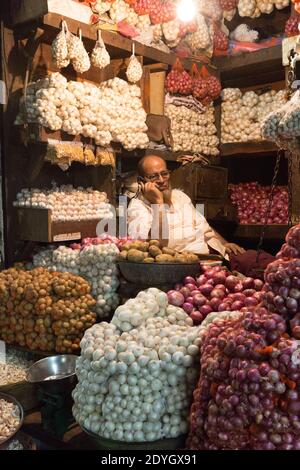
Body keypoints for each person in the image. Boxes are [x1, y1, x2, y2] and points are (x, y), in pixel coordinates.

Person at [127, 155, 274, 276]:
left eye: (164, 174)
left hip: (214, 254)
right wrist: (157, 203)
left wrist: (223, 243)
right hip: (187, 266)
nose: (161, 180)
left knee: (265, 262)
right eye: (153, 176)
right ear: (142, 181)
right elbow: (155, 247)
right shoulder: (137, 208)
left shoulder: (179, 196)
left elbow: (204, 227)